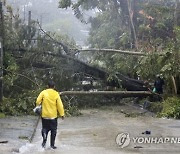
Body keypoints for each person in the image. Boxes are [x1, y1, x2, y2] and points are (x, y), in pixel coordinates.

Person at [36, 80, 64, 149]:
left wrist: (38, 106)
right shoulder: (56, 94)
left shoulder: (43, 92)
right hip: (53, 117)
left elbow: (37, 101)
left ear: (47, 86)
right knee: (53, 130)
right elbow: (59, 105)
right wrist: (62, 114)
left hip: (44, 115)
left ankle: (44, 139)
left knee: (45, 128)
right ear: (54, 87)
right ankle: (52, 145)